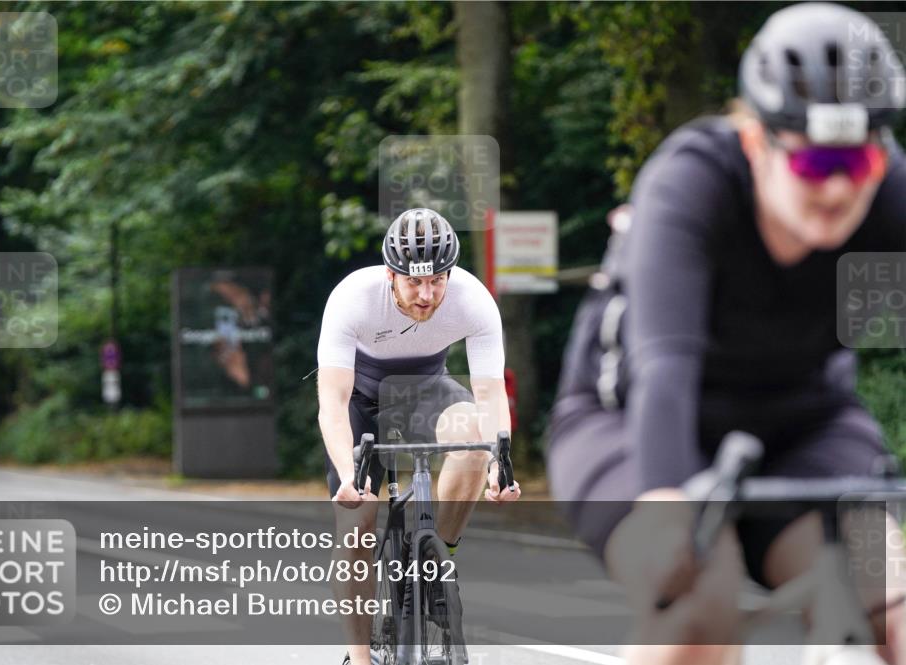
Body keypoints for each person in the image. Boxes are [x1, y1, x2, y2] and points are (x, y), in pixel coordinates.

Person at [548, 4, 905, 664]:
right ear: (755, 142)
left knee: (891, 595)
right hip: (632, 421)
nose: (835, 187)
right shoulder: (690, 184)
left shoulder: (891, 197)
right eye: (814, 161)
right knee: (697, 604)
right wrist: (663, 506)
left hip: (803, 426)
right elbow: (664, 367)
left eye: (856, 164)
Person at [317, 207, 522, 665]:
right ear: (391, 274)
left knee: (471, 434)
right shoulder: (353, 297)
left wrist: (498, 463)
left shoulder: (473, 299)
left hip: (428, 389)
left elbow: (488, 393)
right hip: (361, 399)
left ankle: (436, 561)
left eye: (437, 281)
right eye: (414, 282)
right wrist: (350, 476)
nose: (427, 295)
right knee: (357, 530)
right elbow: (332, 399)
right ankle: (360, 656)